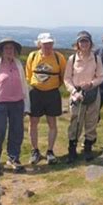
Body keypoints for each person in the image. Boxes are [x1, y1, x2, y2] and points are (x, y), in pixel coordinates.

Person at [0, 38, 30, 175]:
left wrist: (26, 106)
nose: (10, 51)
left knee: (17, 132)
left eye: (12, 49)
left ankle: (13, 159)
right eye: (7, 48)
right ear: (1, 51)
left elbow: (24, 86)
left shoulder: (18, 64)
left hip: (17, 103)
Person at [26, 32, 66, 165]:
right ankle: (35, 151)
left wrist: (52, 86)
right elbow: (28, 75)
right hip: (35, 93)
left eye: (50, 43)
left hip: (52, 94)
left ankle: (50, 151)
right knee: (33, 123)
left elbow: (63, 76)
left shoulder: (59, 57)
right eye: (45, 44)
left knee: (52, 123)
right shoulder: (32, 56)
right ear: (39, 44)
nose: (48, 46)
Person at [64, 31, 103, 162]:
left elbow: (101, 76)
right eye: (81, 41)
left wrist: (91, 83)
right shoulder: (72, 59)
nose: (84, 44)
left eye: (86, 41)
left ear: (90, 43)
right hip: (77, 93)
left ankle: (88, 148)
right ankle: (72, 149)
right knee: (75, 120)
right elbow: (67, 78)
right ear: (77, 43)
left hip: (93, 92)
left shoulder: (96, 58)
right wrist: (74, 92)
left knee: (91, 120)